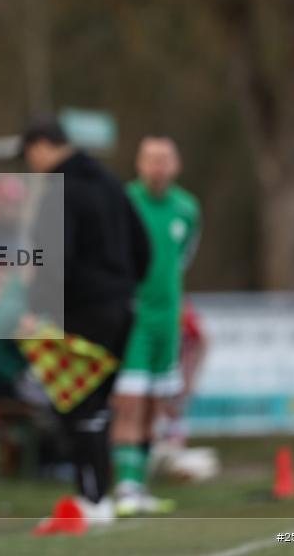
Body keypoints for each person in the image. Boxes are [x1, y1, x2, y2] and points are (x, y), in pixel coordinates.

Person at [22, 117, 150, 527]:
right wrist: (125, 287)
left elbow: (54, 258)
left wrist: (38, 308)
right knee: (98, 406)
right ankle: (98, 496)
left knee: (78, 404)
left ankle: (92, 498)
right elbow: (143, 245)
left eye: (30, 157)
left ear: (41, 146)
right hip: (122, 308)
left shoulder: (59, 189)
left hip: (81, 311)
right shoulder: (113, 184)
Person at [112, 135, 201, 516]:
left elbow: (181, 259)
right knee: (129, 403)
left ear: (176, 165)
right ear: (139, 164)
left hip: (168, 321)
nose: (158, 166)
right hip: (134, 319)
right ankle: (125, 486)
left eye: (164, 159)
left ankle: (140, 483)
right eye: (151, 159)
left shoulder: (188, 209)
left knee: (154, 405)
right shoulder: (125, 202)